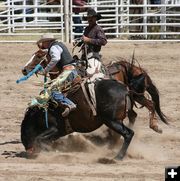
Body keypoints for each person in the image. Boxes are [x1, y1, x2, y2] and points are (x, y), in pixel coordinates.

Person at [36, 34, 78, 117]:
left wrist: (46, 70)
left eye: (43, 43)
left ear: (46, 42)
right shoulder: (58, 45)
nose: (42, 45)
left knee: (52, 89)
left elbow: (56, 58)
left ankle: (69, 104)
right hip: (72, 69)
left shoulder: (53, 47)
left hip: (68, 72)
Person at [78, 8, 107, 77]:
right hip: (85, 56)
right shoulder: (87, 29)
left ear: (95, 18)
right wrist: (79, 42)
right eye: (89, 18)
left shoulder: (98, 29)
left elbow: (103, 41)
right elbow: (84, 40)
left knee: (92, 74)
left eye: (92, 17)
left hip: (94, 55)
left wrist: (89, 40)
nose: (90, 19)